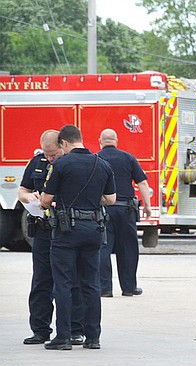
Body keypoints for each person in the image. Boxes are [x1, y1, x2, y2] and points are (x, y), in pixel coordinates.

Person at [40, 125, 116, 350]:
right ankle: (93, 337)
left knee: (63, 283)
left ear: (63, 143)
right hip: (94, 230)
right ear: (81, 139)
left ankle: (63, 337)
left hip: (67, 231)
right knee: (91, 284)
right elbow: (110, 199)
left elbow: (46, 200)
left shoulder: (61, 164)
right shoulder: (102, 164)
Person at [18, 130, 85, 346]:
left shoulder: (71, 164)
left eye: (53, 154)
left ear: (63, 146)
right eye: (46, 154)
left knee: (70, 281)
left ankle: (75, 329)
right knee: (41, 280)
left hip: (66, 230)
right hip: (43, 229)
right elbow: (23, 191)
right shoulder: (37, 162)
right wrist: (30, 197)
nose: (49, 159)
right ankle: (40, 329)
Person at [97, 128, 153, 297]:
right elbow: (142, 183)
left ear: (101, 141)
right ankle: (129, 288)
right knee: (128, 249)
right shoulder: (128, 158)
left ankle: (105, 288)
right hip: (126, 210)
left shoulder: (96, 159)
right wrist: (148, 206)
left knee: (103, 248)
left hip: (104, 210)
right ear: (116, 140)